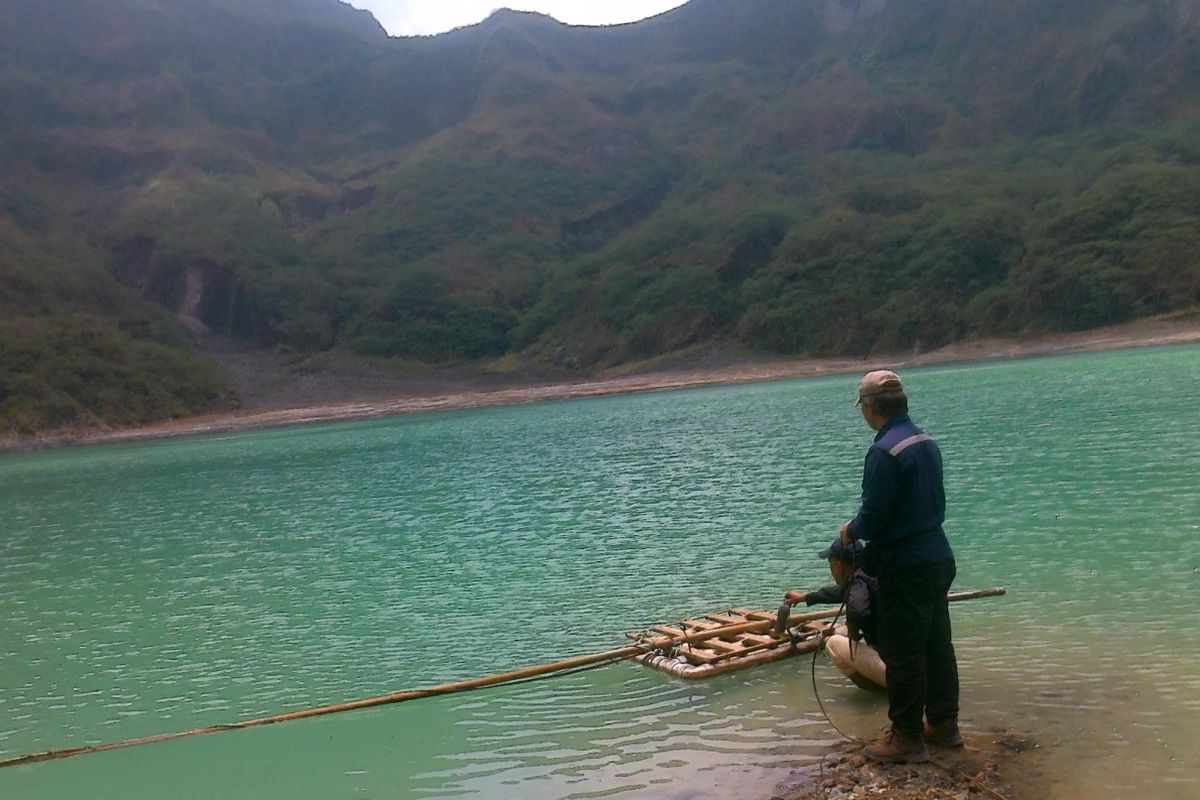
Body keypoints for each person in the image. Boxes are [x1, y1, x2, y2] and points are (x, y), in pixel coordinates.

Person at [840, 369, 961, 764]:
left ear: (870, 407)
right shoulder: (925, 441)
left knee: (904, 651)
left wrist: (850, 530)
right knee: (937, 646)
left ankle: (907, 736)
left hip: (905, 563)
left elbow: (873, 518)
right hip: (937, 555)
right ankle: (944, 726)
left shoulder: (882, 452)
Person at [784, 538, 886, 691]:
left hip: (900, 675)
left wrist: (852, 629)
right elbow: (841, 592)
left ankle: (886, 692)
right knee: (840, 631)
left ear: (838, 564)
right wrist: (805, 597)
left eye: (830, 563)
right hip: (917, 664)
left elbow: (858, 610)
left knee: (833, 644)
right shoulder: (873, 574)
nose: (830, 569)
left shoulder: (857, 581)